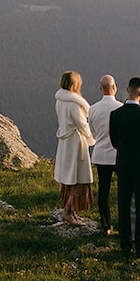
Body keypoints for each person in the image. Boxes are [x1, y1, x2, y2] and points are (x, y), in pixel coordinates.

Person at [108, 76, 140, 260]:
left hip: (123, 164)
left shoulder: (116, 115)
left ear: (127, 90)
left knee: (123, 205)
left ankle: (125, 246)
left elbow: (114, 140)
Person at [53, 70, 94, 227]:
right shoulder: (74, 104)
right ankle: (68, 212)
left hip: (65, 142)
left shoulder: (60, 100)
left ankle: (70, 211)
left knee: (69, 179)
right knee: (77, 180)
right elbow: (83, 125)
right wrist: (91, 138)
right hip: (76, 144)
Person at [86, 74, 122, 235]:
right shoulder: (121, 108)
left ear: (101, 89)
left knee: (103, 191)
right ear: (114, 87)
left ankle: (106, 224)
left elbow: (91, 134)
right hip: (119, 154)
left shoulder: (92, 109)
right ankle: (123, 222)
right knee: (123, 190)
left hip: (100, 154)